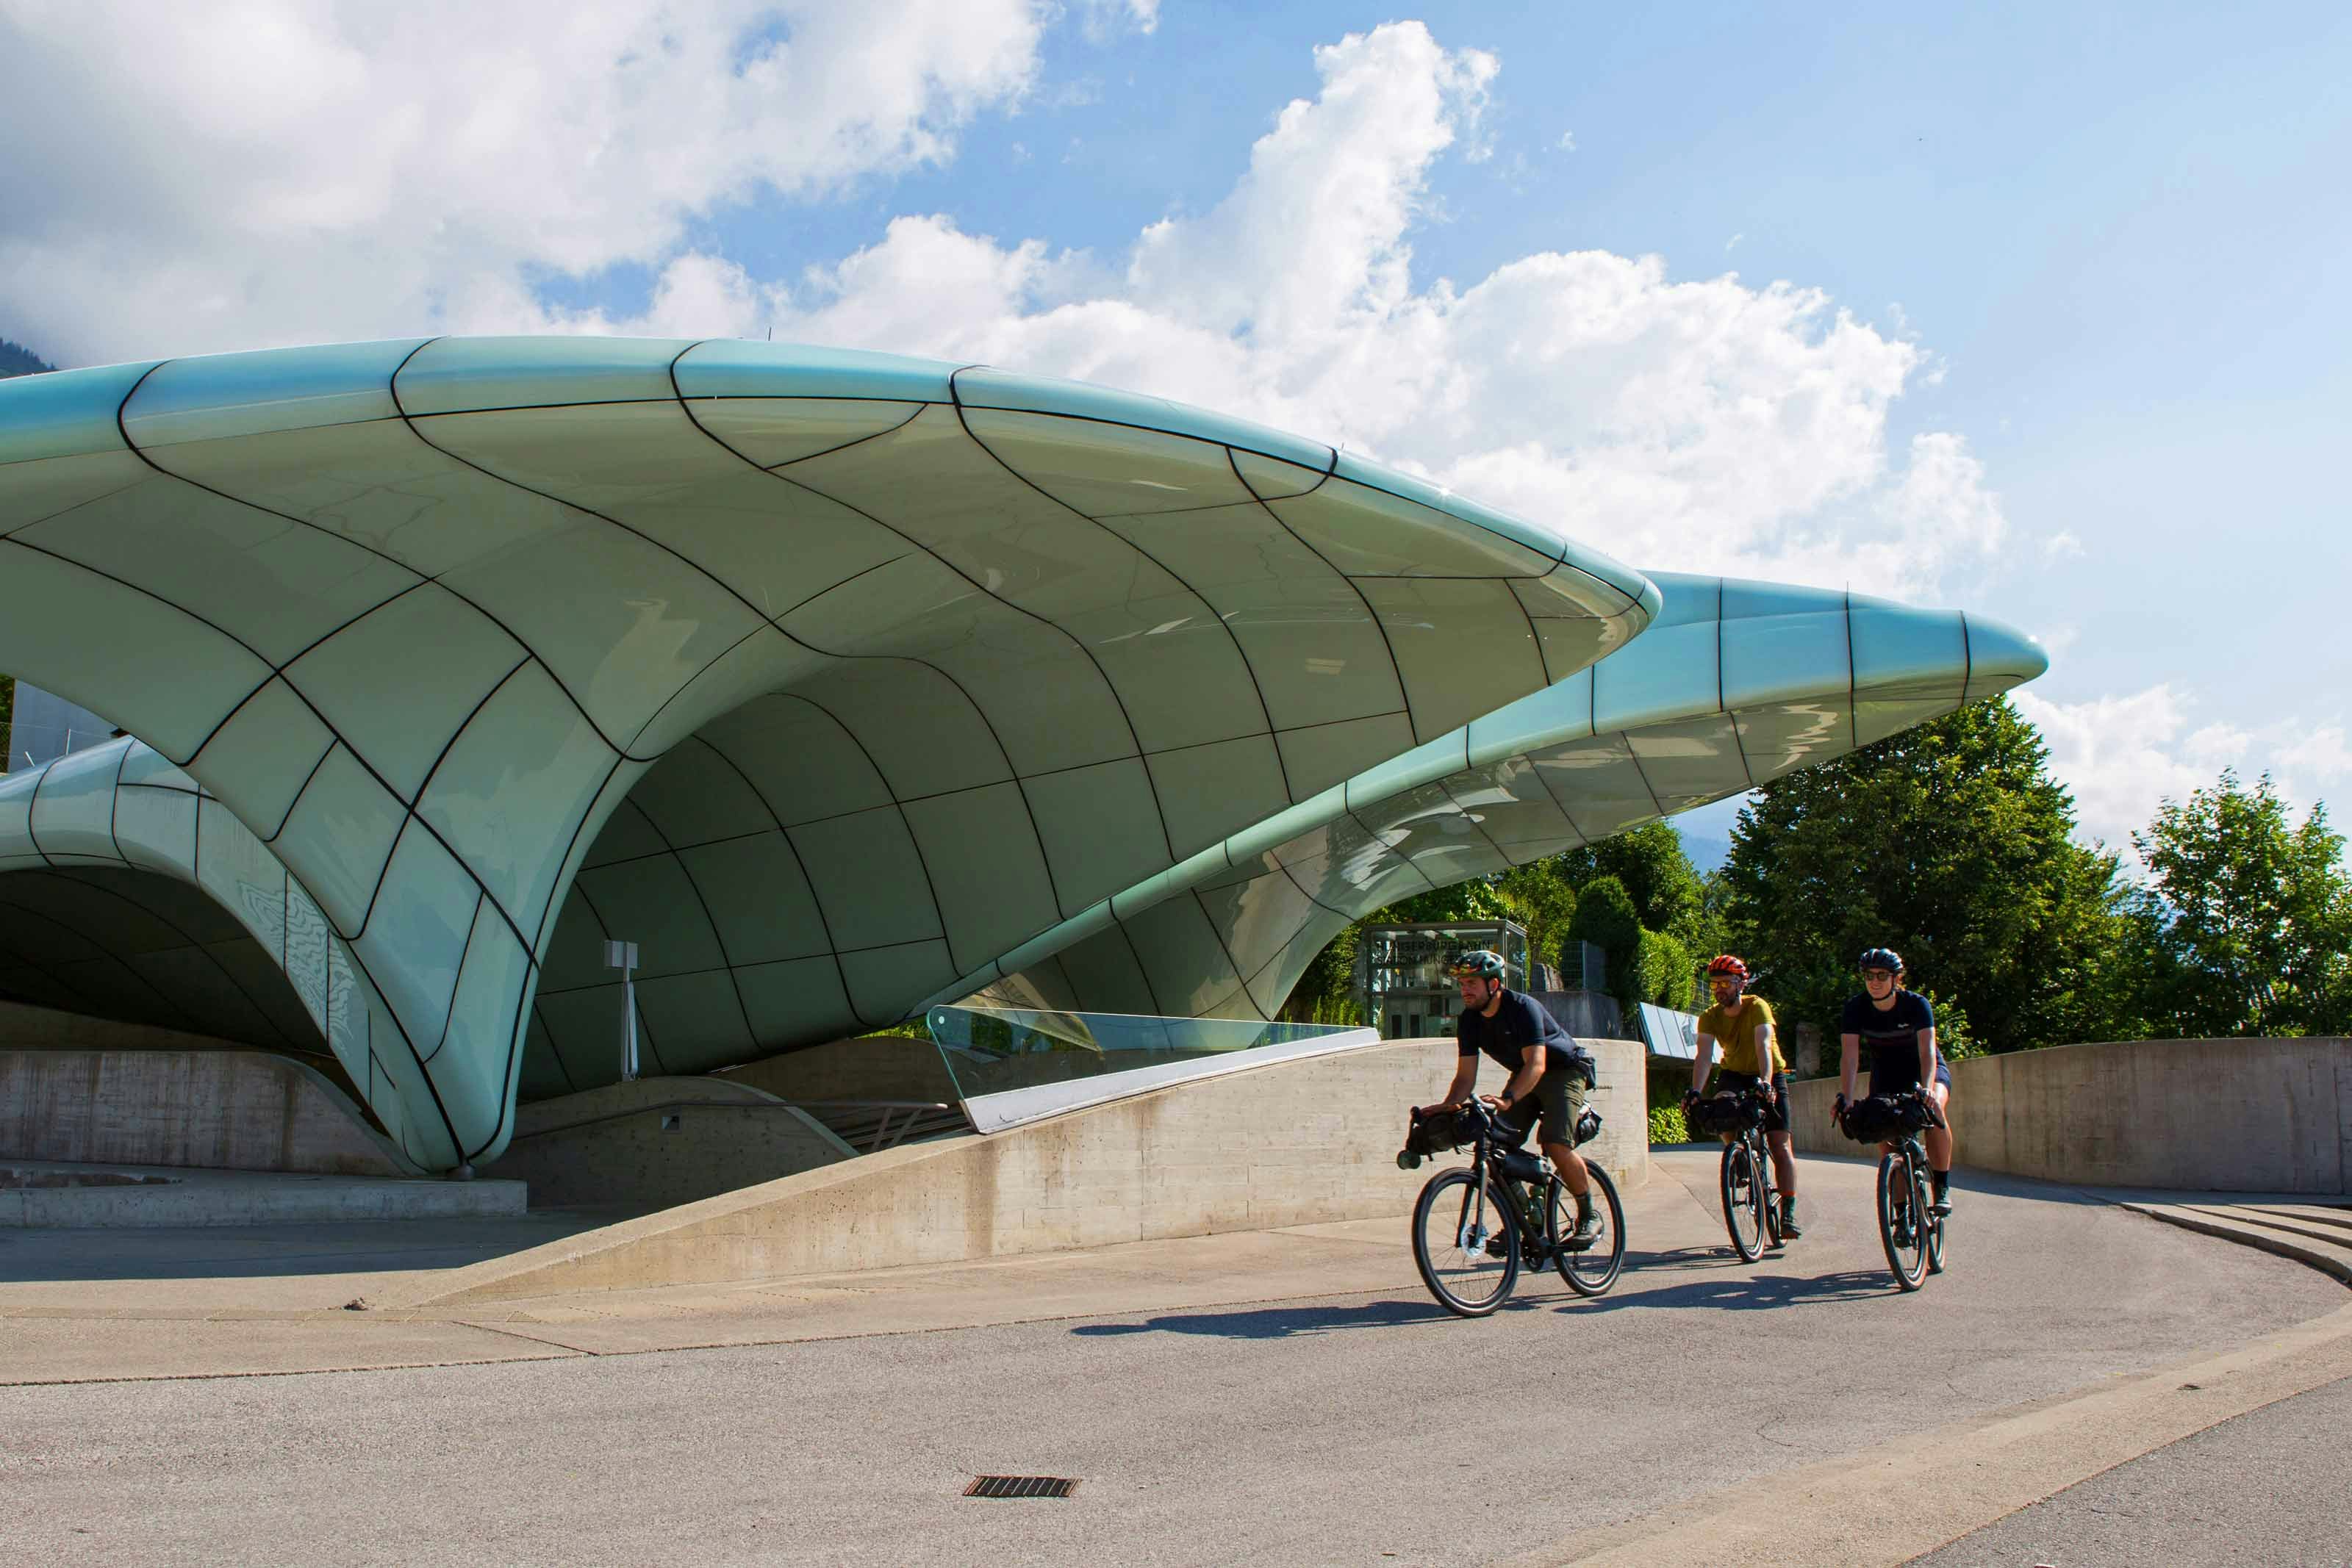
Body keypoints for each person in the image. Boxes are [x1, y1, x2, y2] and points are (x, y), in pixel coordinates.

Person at [1415, 949, 1602, 1244]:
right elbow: (1465, 1077)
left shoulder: (1522, 1007)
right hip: (1525, 1074)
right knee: (1496, 1144)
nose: (1464, 990)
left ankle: (1589, 1215)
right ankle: (1526, 1218)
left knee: (1555, 1143)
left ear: (1493, 984)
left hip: (1563, 1070)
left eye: (1471, 983)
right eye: (1462, 984)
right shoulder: (1469, 1020)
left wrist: (1508, 1100)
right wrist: (1447, 1106)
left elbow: (1537, 1064)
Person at [1683, 953, 1801, 1239]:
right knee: (1723, 1111)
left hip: (1769, 1073)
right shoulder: (1709, 1017)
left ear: (1740, 984)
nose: (1720, 989)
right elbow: (1703, 1057)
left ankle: (1788, 1211)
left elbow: (1763, 1045)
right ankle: (1739, 1157)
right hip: (1734, 1073)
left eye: (1726, 983)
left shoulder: (1757, 1007)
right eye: (1715, 985)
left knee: (1779, 1144)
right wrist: (1696, 1091)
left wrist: (1765, 1081)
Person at [1838, 946, 1955, 1215]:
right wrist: (1846, 1097)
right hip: (1887, 1073)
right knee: (1885, 1131)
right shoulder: (1856, 1008)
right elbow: (1850, 1057)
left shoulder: (1916, 1004)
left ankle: (1942, 1184)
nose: (1875, 982)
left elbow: (1927, 1051)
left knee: (1934, 1109)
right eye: (1869, 976)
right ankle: (1901, 1212)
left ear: (1896, 978)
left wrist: (1926, 1089)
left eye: (1882, 976)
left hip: (1925, 1068)